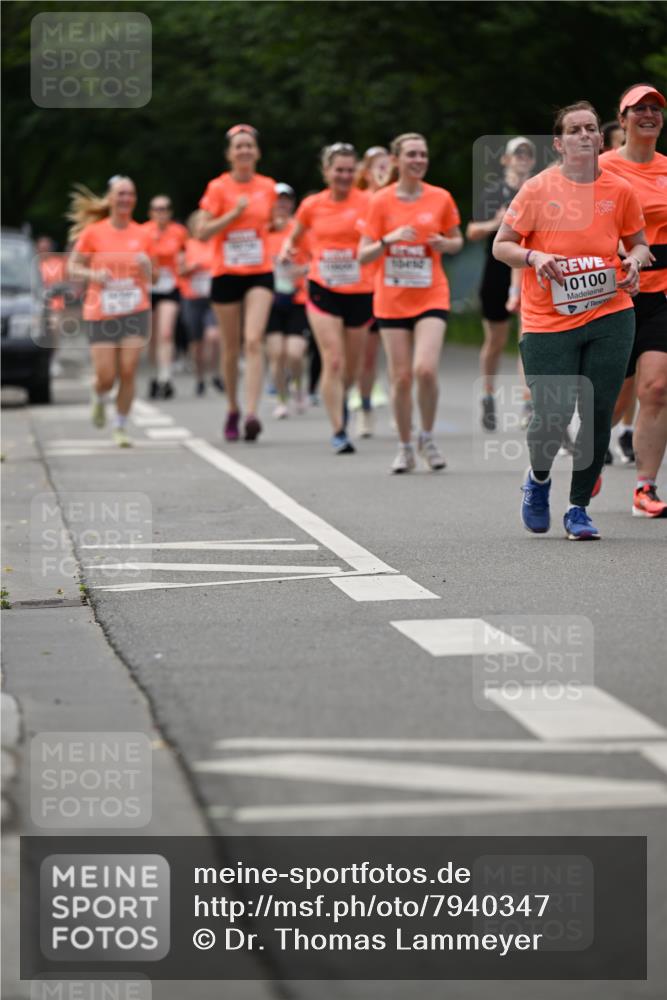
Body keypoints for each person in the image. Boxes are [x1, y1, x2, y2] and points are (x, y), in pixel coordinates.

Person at [493, 101, 650, 540]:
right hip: (548, 319)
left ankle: (578, 507)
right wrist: (533, 255)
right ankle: (538, 480)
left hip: (611, 312)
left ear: (601, 140)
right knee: (553, 414)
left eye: (591, 129)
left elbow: (638, 244)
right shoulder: (537, 189)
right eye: (574, 130)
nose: (584, 135)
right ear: (559, 144)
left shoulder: (620, 190)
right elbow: (501, 245)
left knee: (599, 411)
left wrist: (635, 263)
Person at [358, 132, 463, 473]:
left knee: (425, 370)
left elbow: (457, 241)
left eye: (423, 154)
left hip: (431, 293)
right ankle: (405, 446)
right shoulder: (380, 201)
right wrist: (387, 239)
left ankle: (427, 436)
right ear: (396, 161)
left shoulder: (441, 198)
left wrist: (443, 244)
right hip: (391, 299)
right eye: (412, 155)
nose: (419, 160)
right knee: (401, 377)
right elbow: (363, 254)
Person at [600, 83, 667, 516]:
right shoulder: (600, 169)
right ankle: (587, 465)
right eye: (638, 109)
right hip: (611, 294)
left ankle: (645, 487)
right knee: (613, 398)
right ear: (621, 120)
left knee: (657, 388)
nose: (648, 115)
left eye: (655, 109)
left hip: (660, 292)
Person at [281, 144, 374, 454]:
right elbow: (294, 235)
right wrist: (286, 250)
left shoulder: (369, 202)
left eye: (350, 170)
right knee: (332, 359)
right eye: (339, 170)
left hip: (361, 290)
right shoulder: (311, 205)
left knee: (351, 367)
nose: (345, 176)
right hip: (323, 287)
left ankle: (342, 399)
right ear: (327, 172)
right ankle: (338, 429)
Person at [197, 124, 276, 442]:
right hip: (226, 272)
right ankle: (233, 407)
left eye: (249, 146)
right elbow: (202, 232)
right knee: (230, 348)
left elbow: (271, 222)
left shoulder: (268, 186)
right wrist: (233, 215)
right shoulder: (218, 188)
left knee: (254, 340)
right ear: (230, 154)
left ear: (257, 152)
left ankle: (253, 413)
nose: (244, 151)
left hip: (259, 270)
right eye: (238, 147)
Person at [67, 175, 155, 447]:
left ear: (135, 199)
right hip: (101, 311)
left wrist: (147, 267)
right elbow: (72, 266)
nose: (126, 199)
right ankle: (98, 393)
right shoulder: (94, 232)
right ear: (111, 198)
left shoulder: (144, 234)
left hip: (135, 309)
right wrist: (94, 274)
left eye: (130, 194)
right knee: (106, 376)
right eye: (121, 194)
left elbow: (156, 277)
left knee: (128, 371)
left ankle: (120, 425)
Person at [467, 137, 536, 432]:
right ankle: (487, 395)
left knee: (526, 340)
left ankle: (527, 403)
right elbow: (471, 231)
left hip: (529, 269)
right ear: (505, 160)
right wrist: (494, 224)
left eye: (527, 154)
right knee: (495, 342)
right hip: (496, 271)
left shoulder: (538, 189)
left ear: (532, 161)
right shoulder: (493, 193)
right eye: (516, 153)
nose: (522, 158)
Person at [354, 145, 392, 437]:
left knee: (396, 353)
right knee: (366, 356)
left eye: (386, 164)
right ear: (366, 172)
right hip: (362, 285)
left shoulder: (398, 199)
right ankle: (364, 409)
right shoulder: (360, 201)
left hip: (394, 284)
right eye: (376, 166)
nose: (383, 170)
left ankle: (399, 408)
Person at [264, 183, 310, 418]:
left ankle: (299, 389)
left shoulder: (299, 230)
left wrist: (301, 270)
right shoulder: (263, 230)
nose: (281, 204)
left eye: (285, 200)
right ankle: (281, 400)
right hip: (270, 299)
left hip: (297, 298)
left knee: (294, 352)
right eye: (277, 200)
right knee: (276, 354)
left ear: (292, 204)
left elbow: (316, 259)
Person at [143, 195, 187, 399]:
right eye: (157, 208)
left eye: (165, 208)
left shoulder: (179, 232)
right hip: (148, 287)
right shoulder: (143, 232)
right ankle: (152, 375)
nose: (161, 212)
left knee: (166, 333)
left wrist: (184, 263)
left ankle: (165, 377)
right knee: (151, 337)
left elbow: (187, 254)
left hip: (170, 286)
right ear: (150, 212)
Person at [179, 210, 221, 396]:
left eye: (207, 223)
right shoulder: (187, 245)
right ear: (193, 226)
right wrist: (190, 268)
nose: (203, 227)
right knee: (197, 343)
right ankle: (200, 377)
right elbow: (179, 271)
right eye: (200, 223)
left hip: (213, 298)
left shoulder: (217, 243)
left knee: (214, 336)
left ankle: (216, 374)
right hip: (192, 297)